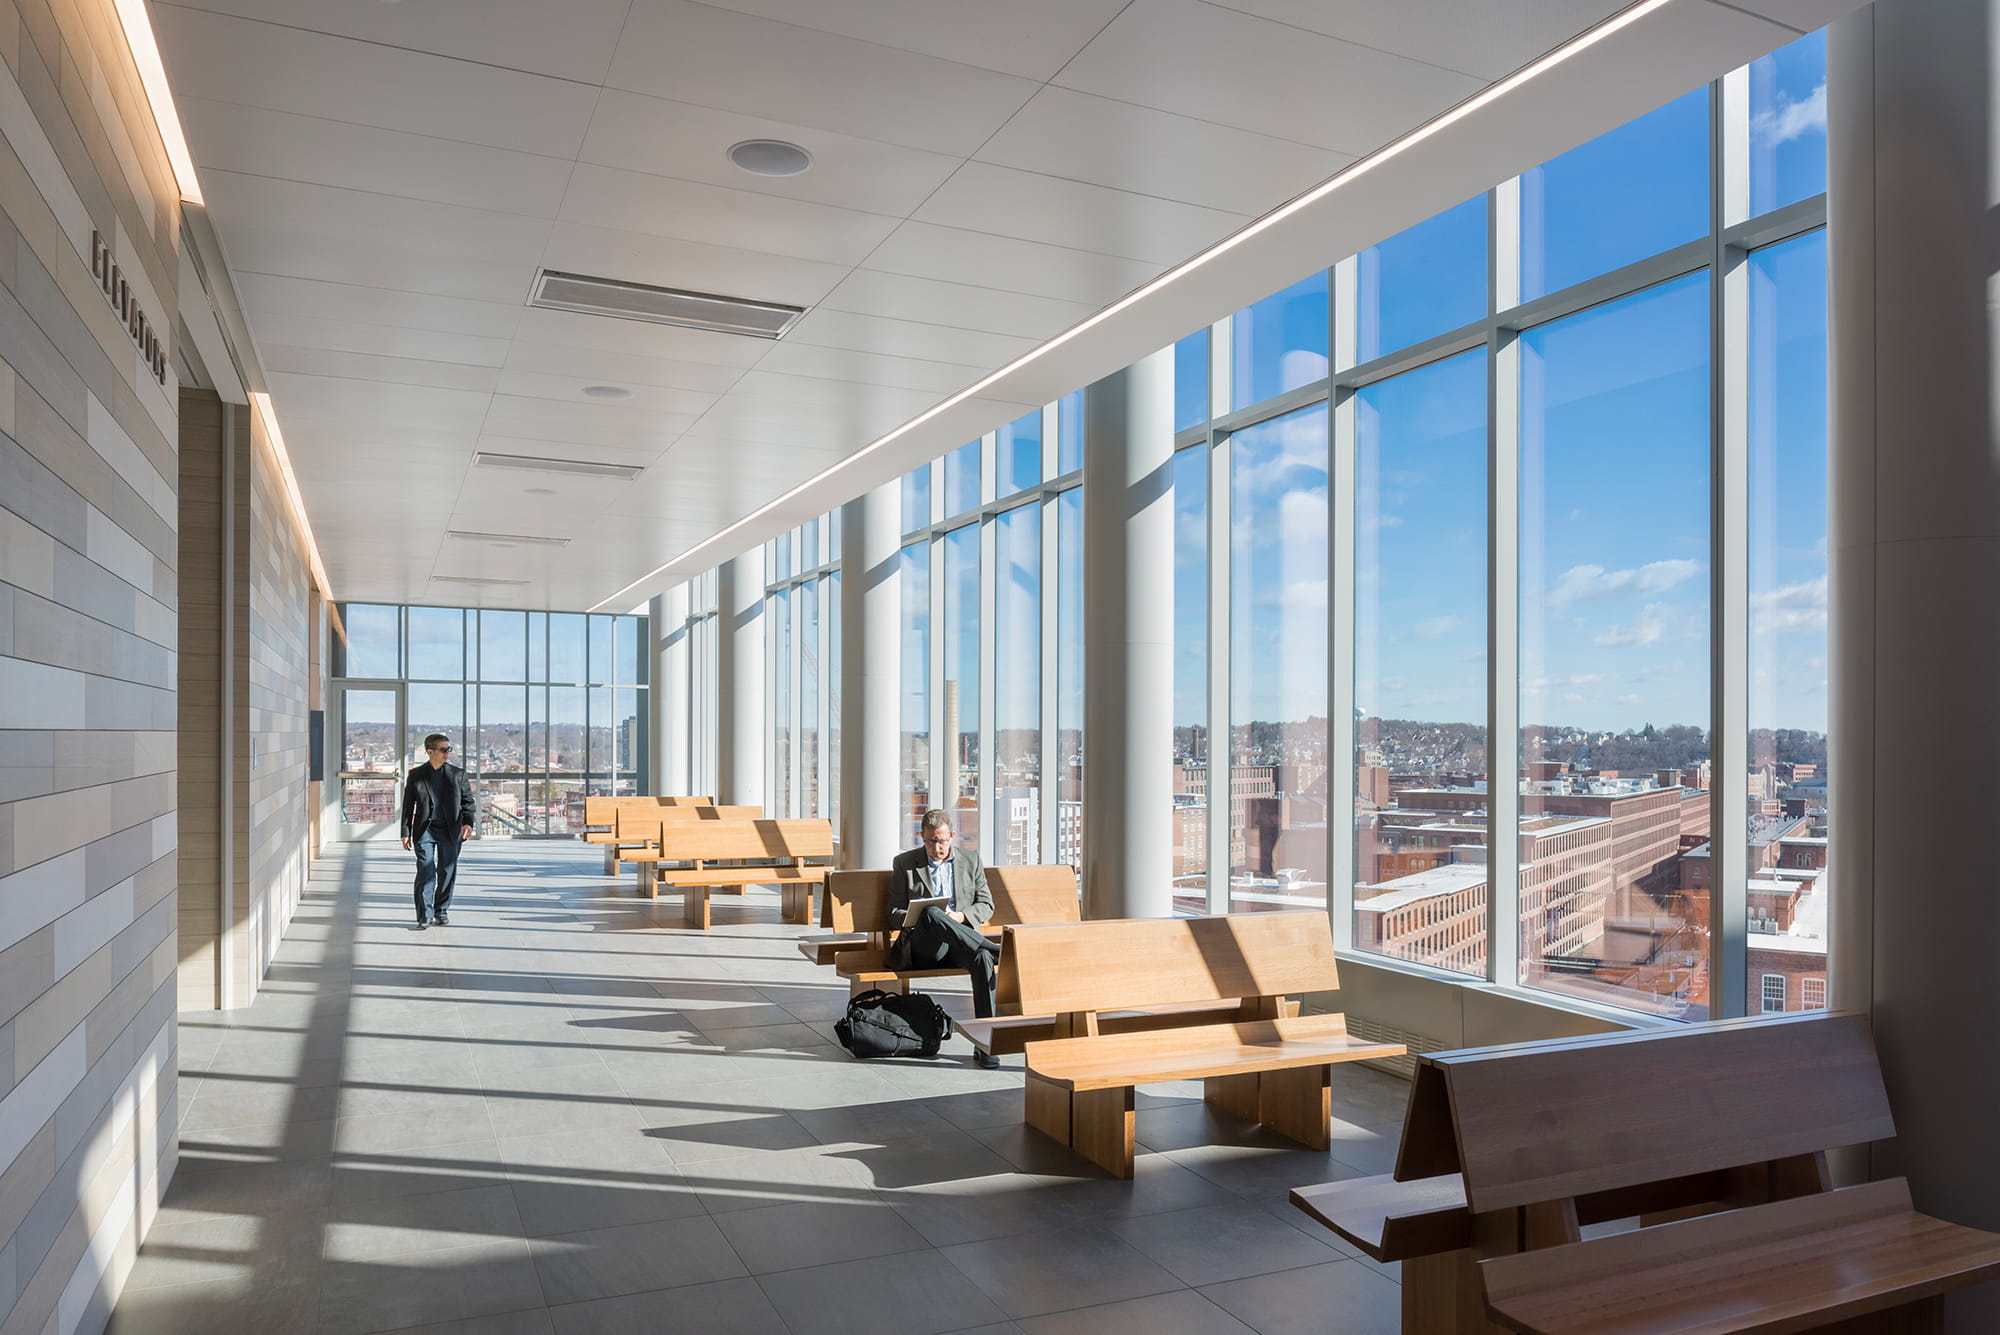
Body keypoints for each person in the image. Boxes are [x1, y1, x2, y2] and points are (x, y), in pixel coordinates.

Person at [888, 809, 1001, 1067]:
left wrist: (961, 916)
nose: (936, 847)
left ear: (952, 836)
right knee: (931, 912)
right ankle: (993, 948)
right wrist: (921, 915)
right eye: (930, 841)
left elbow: (986, 905)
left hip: (959, 943)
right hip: (925, 948)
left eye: (941, 841)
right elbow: (893, 914)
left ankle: (987, 1045)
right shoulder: (905, 864)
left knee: (982, 959)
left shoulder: (971, 860)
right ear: (921, 837)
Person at [400, 734, 475, 929]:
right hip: (425, 830)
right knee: (425, 871)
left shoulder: (458, 775)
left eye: (448, 749)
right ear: (429, 751)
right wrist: (405, 831)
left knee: (446, 871)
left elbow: (468, 803)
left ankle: (441, 911)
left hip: (451, 831)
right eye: (443, 750)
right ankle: (425, 915)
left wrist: (468, 823)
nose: (446, 754)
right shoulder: (416, 775)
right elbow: (408, 806)